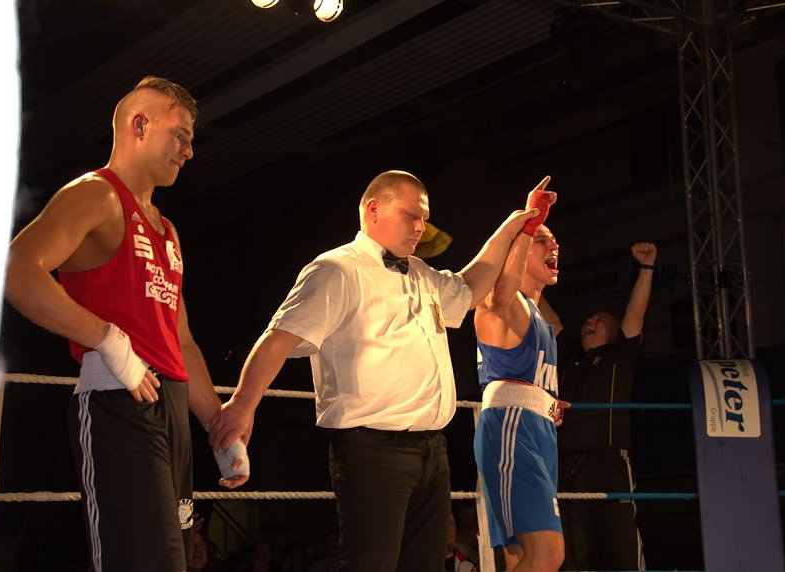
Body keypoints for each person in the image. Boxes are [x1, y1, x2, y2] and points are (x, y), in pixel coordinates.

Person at [207, 170, 540, 572]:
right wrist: (244, 402)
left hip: (432, 449)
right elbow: (278, 337)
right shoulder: (336, 269)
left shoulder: (420, 273)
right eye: (411, 215)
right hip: (371, 449)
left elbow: (472, 287)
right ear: (373, 208)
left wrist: (515, 225)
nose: (420, 227)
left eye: (424, 218)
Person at [3, 76, 249, 571]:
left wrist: (218, 425)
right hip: (119, 401)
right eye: (180, 135)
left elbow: (180, 339)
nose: (189, 151)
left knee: (176, 562)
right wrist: (108, 340)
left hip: (172, 407)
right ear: (140, 125)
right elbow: (16, 270)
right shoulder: (96, 195)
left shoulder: (167, 229)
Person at [537, 242, 657, 572]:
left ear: (615, 331)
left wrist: (646, 269)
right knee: (574, 550)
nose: (590, 320)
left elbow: (636, 314)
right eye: (588, 318)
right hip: (566, 463)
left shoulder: (620, 356)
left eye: (599, 319)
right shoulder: (571, 355)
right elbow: (546, 315)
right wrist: (526, 269)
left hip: (608, 461)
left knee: (620, 543)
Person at [473, 178, 566, 572]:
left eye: (553, 240)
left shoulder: (541, 316)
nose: (554, 246)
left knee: (522, 558)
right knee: (547, 555)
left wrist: (547, 400)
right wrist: (528, 224)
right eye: (543, 240)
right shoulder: (505, 304)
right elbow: (497, 294)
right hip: (513, 427)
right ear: (520, 250)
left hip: (535, 428)